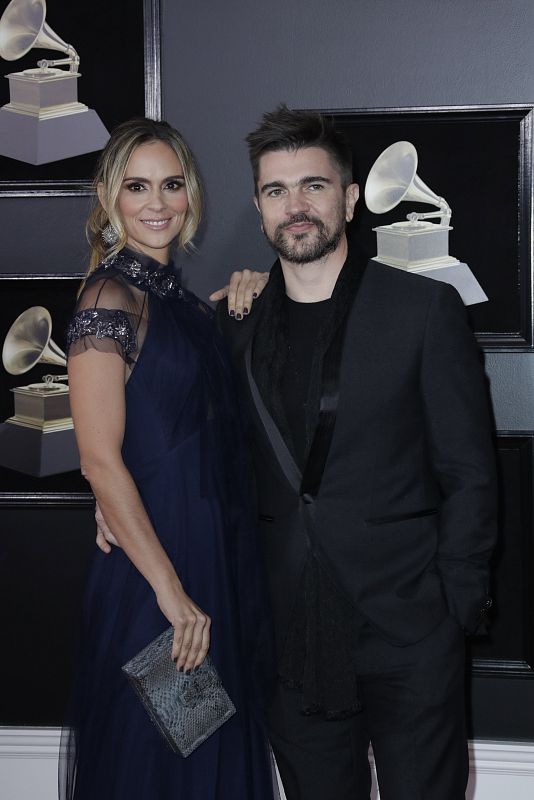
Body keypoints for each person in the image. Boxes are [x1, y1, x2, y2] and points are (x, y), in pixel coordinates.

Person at [213, 106, 498, 800]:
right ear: (258, 209)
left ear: (347, 198)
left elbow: (469, 470)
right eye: (277, 191)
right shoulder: (231, 326)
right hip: (289, 633)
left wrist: (451, 608)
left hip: (408, 626)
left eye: (314, 186)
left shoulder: (422, 310)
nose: (296, 206)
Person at [59, 118, 277, 800]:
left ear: (192, 194)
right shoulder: (107, 299)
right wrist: (170, 593)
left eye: (172, 184)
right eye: (137, 186)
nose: (157, 203)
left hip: (214, 563)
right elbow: (99, 460)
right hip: (155, 580)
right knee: (164, 765)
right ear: (107, 195)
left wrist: (257, 293)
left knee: (206, 756)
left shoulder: (180, 301)